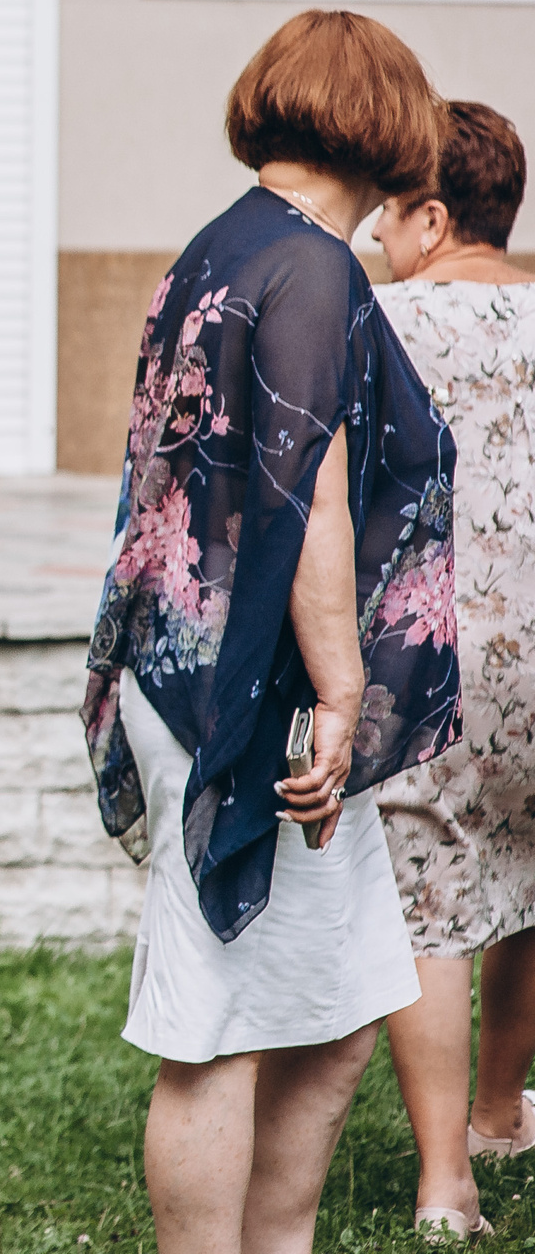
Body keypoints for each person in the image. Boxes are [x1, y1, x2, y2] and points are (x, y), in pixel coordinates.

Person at [80, 8, 462, 1254]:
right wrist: (342, 693)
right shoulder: (312, 266)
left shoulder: (214, 248)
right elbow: (305, 493)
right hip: (253, 690)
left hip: (182, 668)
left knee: (341, 1001)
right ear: (385, 124)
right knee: (219, 1016)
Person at [368, 101, 535, 1236]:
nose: (374, 236)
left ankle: (445, 1185)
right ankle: (497, 1110)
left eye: (384, 211)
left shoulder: (375, 323)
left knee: (427, 898)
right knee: (530, 874)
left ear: (431, 216)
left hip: (431, 653)